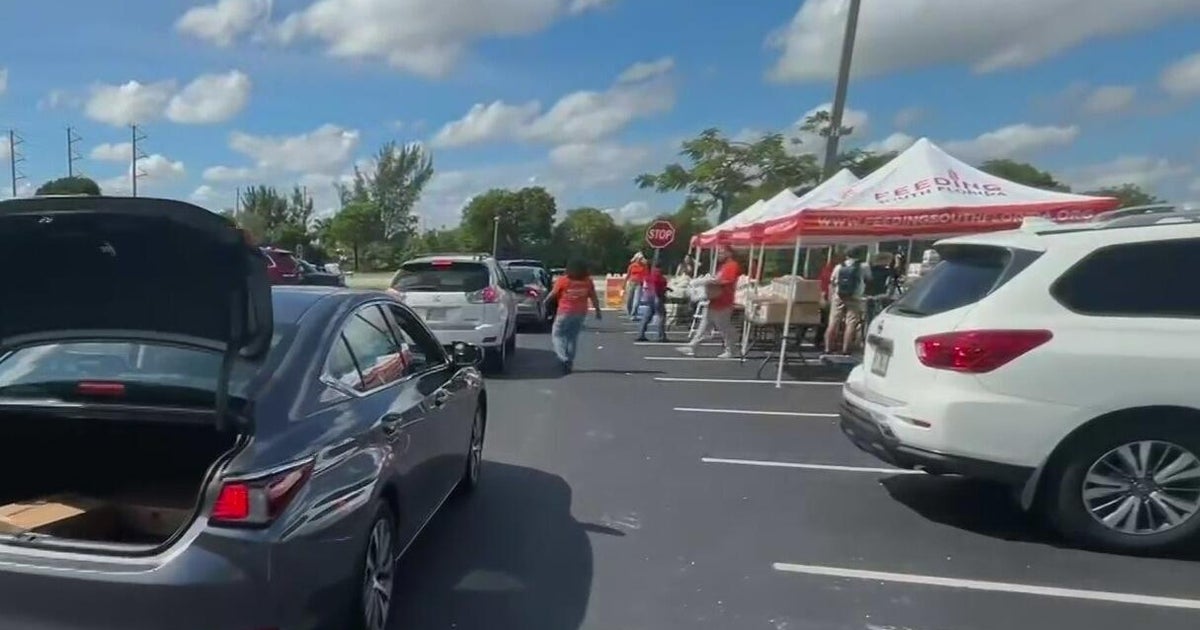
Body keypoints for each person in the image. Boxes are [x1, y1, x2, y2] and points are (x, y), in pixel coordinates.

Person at [678, 244, 740, 359]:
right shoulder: (723, 266)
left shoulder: (732, 265)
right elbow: (718, 279)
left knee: (724, 327)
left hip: (724, 301)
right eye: (719, 252)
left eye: (722, 252)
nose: (719, 254)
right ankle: (692, 346)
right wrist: (708, 281)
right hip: (714, 300)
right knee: (704, 325)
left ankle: (731, 349)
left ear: (729, 253)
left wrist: (711, 282)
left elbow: (727, 281)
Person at [544, 258, 602, 373]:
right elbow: (593, 296)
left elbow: (553, 294)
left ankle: (563, 358)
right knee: (572, 337)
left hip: (564, 311)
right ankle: (569, 360)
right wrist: (597, 311)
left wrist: (545, 302)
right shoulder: (588, 281)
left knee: (558, 335)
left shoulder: (564, 280)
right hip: (580, 312)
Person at [824, 246, 872, 356]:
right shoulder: (864, 266)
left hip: (839, 296)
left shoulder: (839, 267)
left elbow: (832, 281)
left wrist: (831, 296)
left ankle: (828, 347)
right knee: (851, 323)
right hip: (855, 297)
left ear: (846, 255)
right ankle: (846, 349)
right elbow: (869, 279)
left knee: (833, 321)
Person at [815, 250, 845, 351]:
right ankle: (822, 341)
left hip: (829, 296)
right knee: (827, 321)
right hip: (829, 296)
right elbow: (825, 283)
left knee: (826, 320)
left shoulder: (829, 269)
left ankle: (821, 341)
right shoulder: (833, 269)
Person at [635, 261, 670, 342]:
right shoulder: (661, 277)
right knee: (661, 316)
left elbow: (645, 283)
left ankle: (641, 334)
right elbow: (659, 287)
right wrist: (664, 290)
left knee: (647, 316)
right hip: (657, 297)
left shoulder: (649, 276)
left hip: (649, 297)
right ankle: (661, 336)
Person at [624, 252, 649, 317]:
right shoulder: (632, 266)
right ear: (636, 259)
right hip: (631, 283)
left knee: (637, 300)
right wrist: (624, 284)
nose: (640, 260)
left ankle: (634, 313)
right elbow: (628, 275)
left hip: (639, 284)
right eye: (639, 258)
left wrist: (647, 283)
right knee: (629, 299)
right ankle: (629, 311)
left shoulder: (644, 266)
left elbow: (646, 275)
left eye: (641, 258)